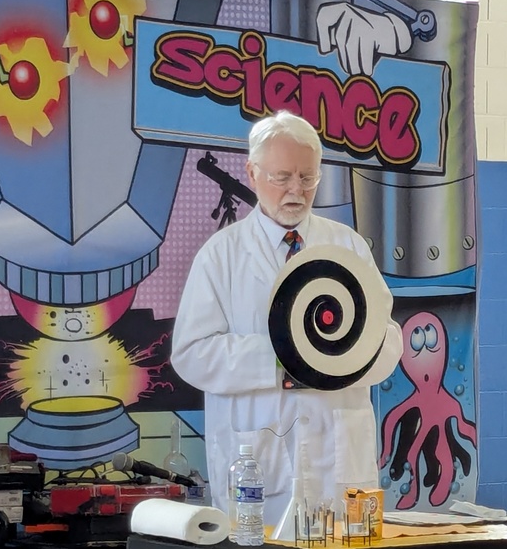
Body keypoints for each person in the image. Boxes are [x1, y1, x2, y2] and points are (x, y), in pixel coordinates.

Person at [171, 111, 403, 526]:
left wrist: (340, 357)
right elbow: (191, 354)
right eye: (282, 177)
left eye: (307, 177)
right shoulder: (221, 256)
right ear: (252, 172)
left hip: (341, 466)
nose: (296, 190)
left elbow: (387, 340)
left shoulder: (348, 247)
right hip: (260, 467)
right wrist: (286, 359)